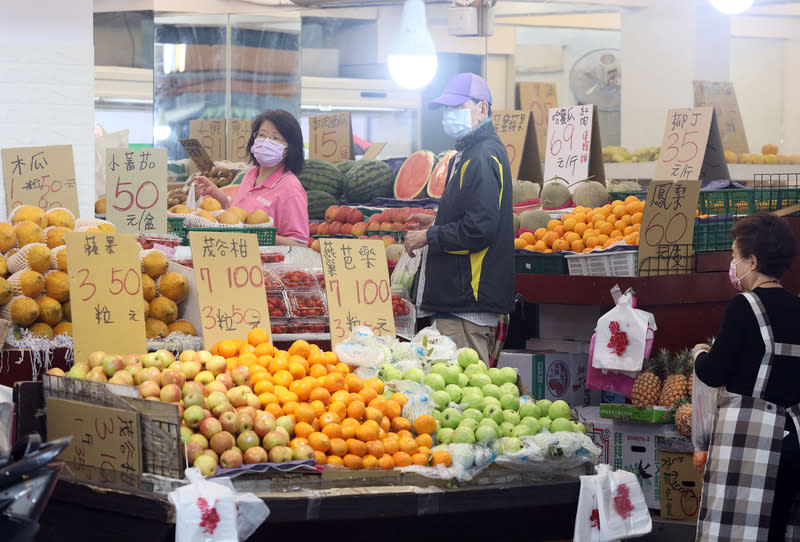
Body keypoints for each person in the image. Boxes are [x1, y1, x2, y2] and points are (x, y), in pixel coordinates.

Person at [693, 212, 800, 542]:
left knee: (741, 532)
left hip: (751, 441)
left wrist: (699, 354)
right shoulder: (797, 307)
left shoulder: (744, 306)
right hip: (793, 437)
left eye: (735, 257)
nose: (733, 265)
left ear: (752, 260)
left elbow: (715, 372)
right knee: (778, 529)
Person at [403, 72, 514, 365]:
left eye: (458, 107)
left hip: (466, 306)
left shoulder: (480, 156)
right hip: (459, 304)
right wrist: (436, 221)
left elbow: (480, 229)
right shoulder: (469, 153)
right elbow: (475, 214)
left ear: (483, 109)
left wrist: (429, 236)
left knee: (467, 396)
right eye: (446, 108)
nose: (449, 115)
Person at [192, 109, 309, 246]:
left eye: (276, 138)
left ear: (291, 147)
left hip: (265, 264)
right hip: (237, 255)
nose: (266, 142)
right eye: (261, 135)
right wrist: (213, 191)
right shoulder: (251, 173)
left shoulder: (291, 189)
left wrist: (258, 237)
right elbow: (240, 212)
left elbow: (300, 243)